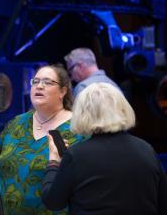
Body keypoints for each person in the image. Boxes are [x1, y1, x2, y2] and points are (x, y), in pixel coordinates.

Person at [0, 64, 87, 215]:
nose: (39, 86)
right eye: (35, 82)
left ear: (62, 91)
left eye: (47, 82)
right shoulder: (17, 123)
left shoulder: (78, 129)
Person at [42, 82, 167, 215]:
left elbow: (53, 202)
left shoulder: (76, 156)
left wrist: (53, 163)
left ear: (82, 114)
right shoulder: (146, 150)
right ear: (123, 109)